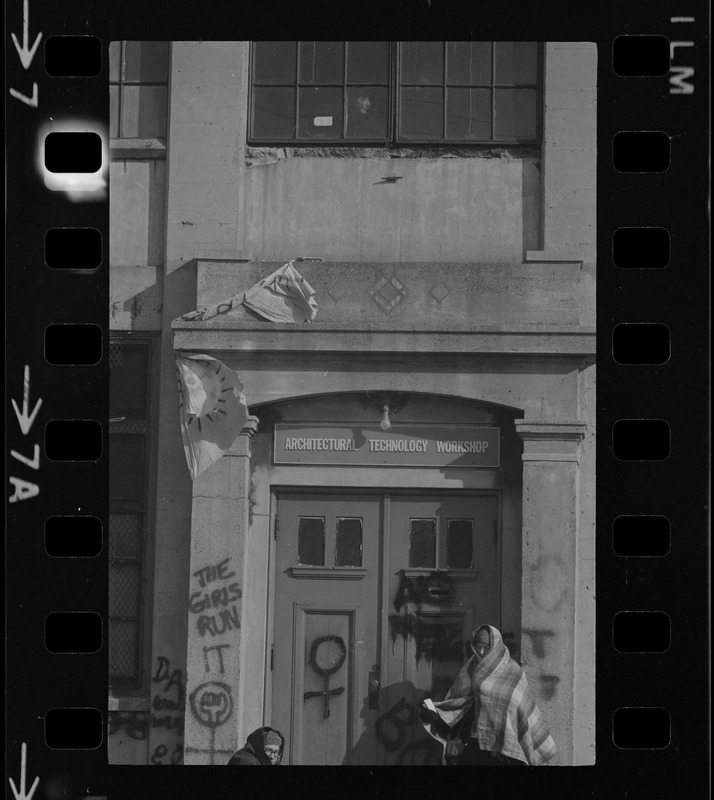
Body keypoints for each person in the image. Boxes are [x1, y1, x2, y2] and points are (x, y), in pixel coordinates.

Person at [419, 625, 557, 766]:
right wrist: (439, 715)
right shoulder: (469, 670)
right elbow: (461, 706)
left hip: (506, 752)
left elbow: (522, 707)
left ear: (496, 646)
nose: (482, 651)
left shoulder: (513, 671)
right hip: (476, 748)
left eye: (486, 646)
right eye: (478, 646)